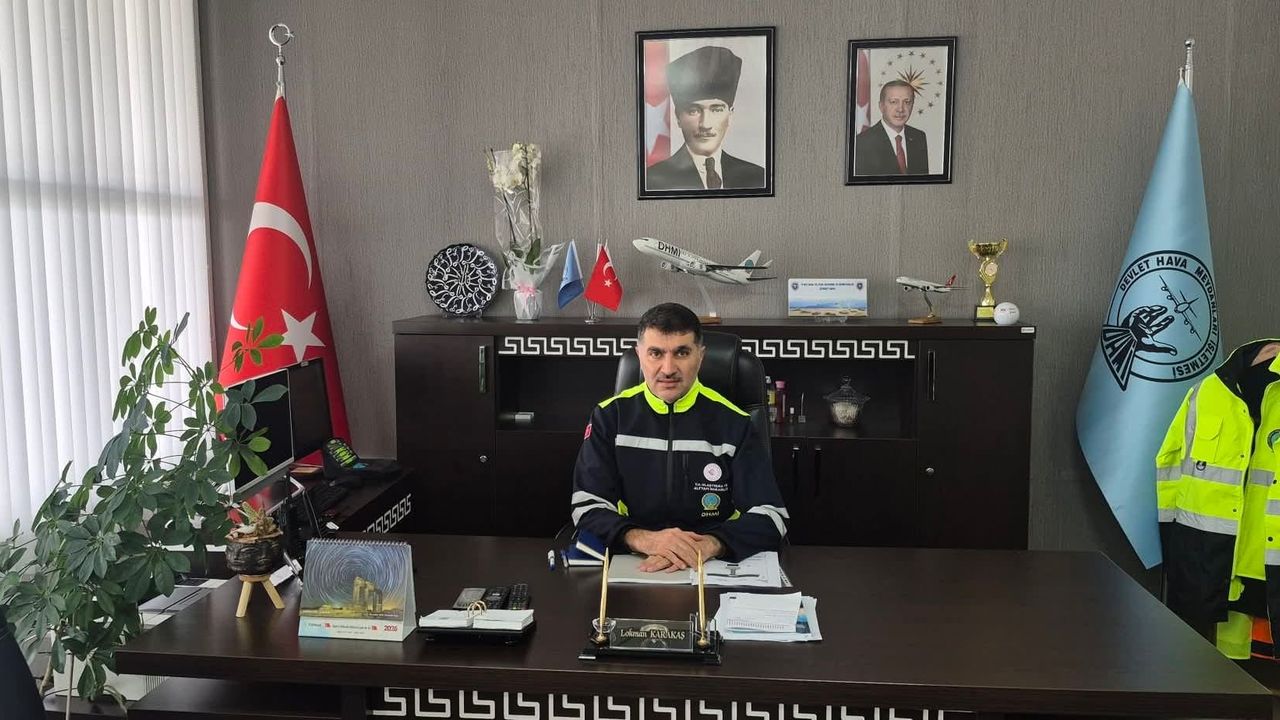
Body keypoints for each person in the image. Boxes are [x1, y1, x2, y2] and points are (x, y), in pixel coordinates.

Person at [571, 303, 788, 572]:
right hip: (634, 559)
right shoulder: (609, 417)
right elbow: (586, 506)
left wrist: (711, 544)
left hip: (711, 564)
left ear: (701, 355)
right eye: (656, 353)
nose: (668, 368)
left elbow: (771, 515)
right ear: (639, 355)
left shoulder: (735, 422)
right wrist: (645, 540)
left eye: (682, 353)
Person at [646, 46, 766, 191]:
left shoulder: (758, 177)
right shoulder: (653, 181)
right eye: (694, 111)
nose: (705, 124)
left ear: (730, 115)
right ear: (678, 117)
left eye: (716, 110)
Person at [854, 79, 930, 175]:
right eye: (894, 102)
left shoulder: (918, 137)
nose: (900, 109)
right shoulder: (863, 142)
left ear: (912, 105)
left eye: (907, 102)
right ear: (881, 106)